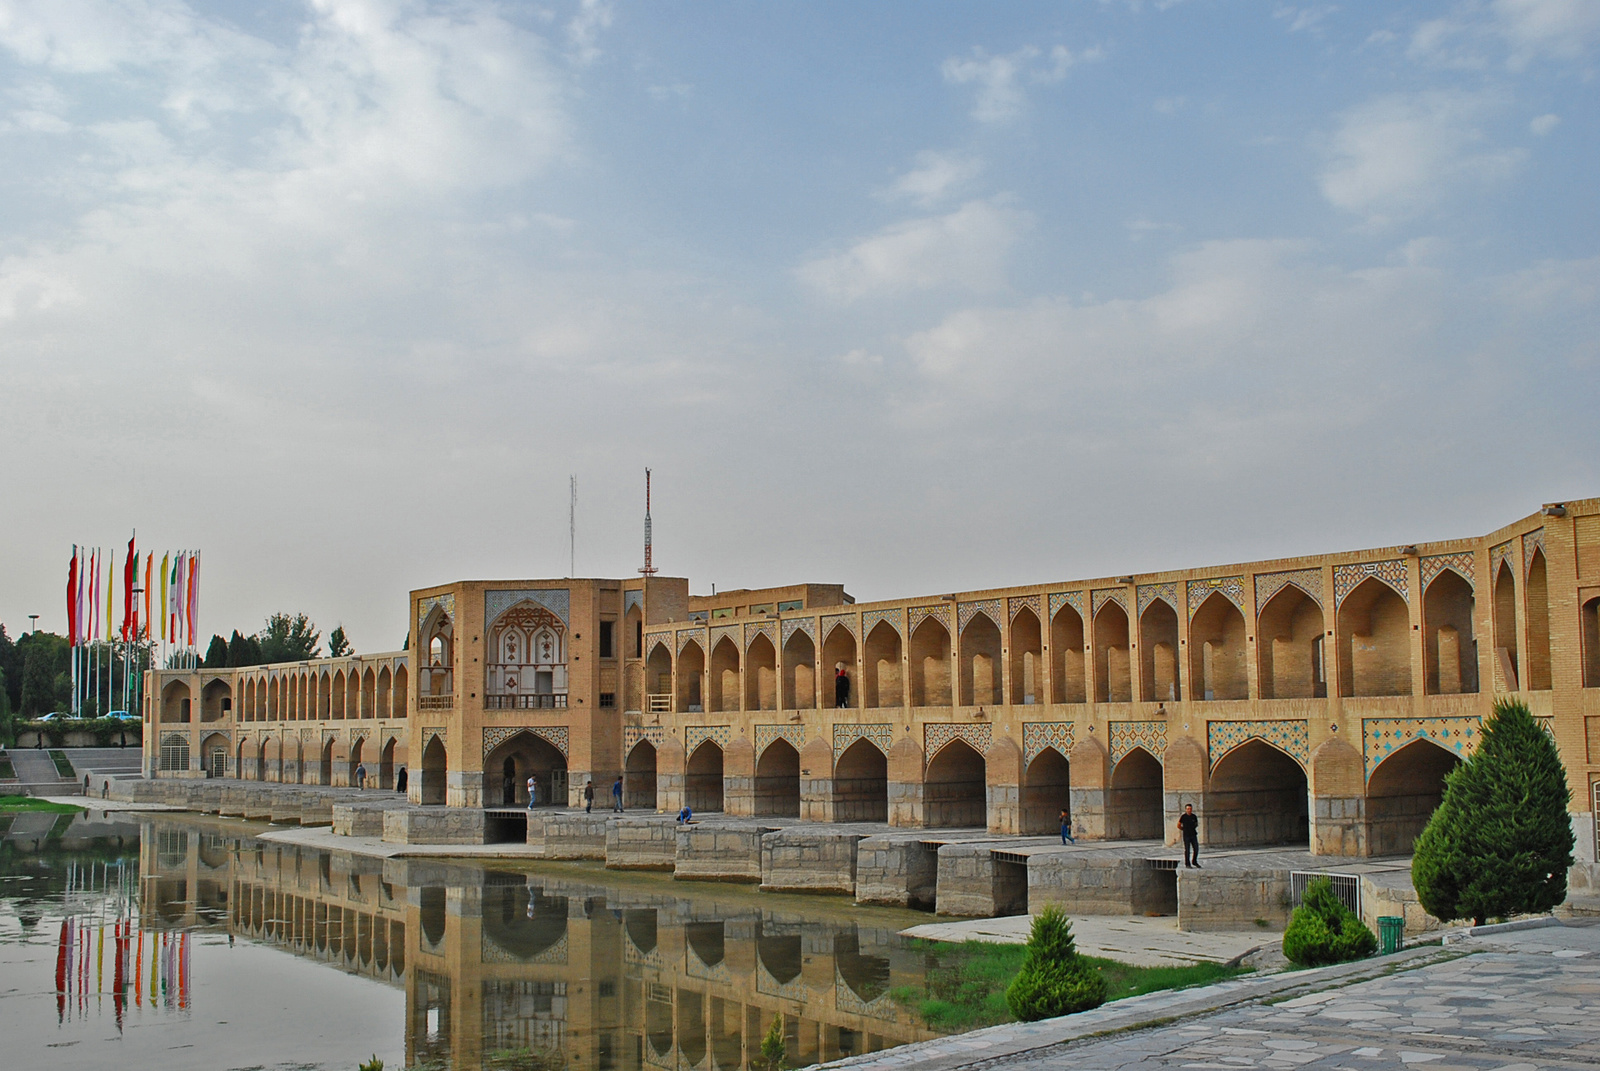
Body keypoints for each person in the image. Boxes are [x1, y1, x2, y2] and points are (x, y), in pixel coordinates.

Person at [1178, 803, 1201, 868]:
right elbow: (1178, 825)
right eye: (1188, 809)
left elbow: (1196, 824)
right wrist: (1183, 829)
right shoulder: (1183, 817)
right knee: (1187, 850)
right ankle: (1187, 863)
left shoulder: (1194, 816)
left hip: (1193, 834)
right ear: (1186, 809)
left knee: (1196, 848)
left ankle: (1194, 861)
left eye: (1190, 809)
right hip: (1186, 835)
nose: (1189, 810)